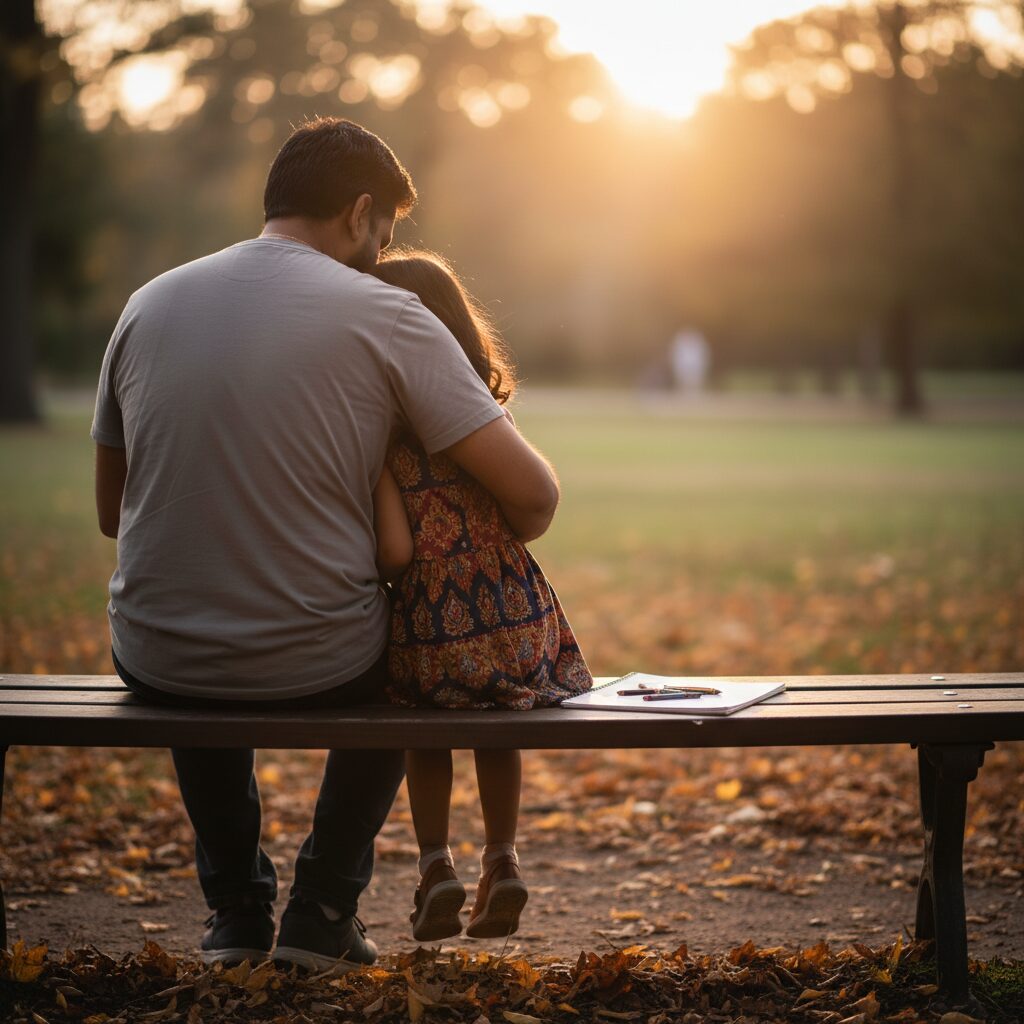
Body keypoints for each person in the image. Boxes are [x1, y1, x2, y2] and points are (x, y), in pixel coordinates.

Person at [91, 118, 561, 970]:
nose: (379, 259)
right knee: (407, 657)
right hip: (322, 659)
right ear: (359, 212)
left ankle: (235, 913)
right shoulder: (388, 314)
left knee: (196, 615)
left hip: (156, 654)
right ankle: (321, 909)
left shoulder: (147, 303)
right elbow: (534, 499)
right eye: (381, 238)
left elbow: (110, 513)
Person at [370, 251, 593, 942]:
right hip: (514, 623)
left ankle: (436, 865)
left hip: (434, 629)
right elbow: (524, 508)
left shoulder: (387, 446)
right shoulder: (482, 422)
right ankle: (503, 859)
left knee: (424, 720)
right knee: (500, 715)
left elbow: (397, 553)